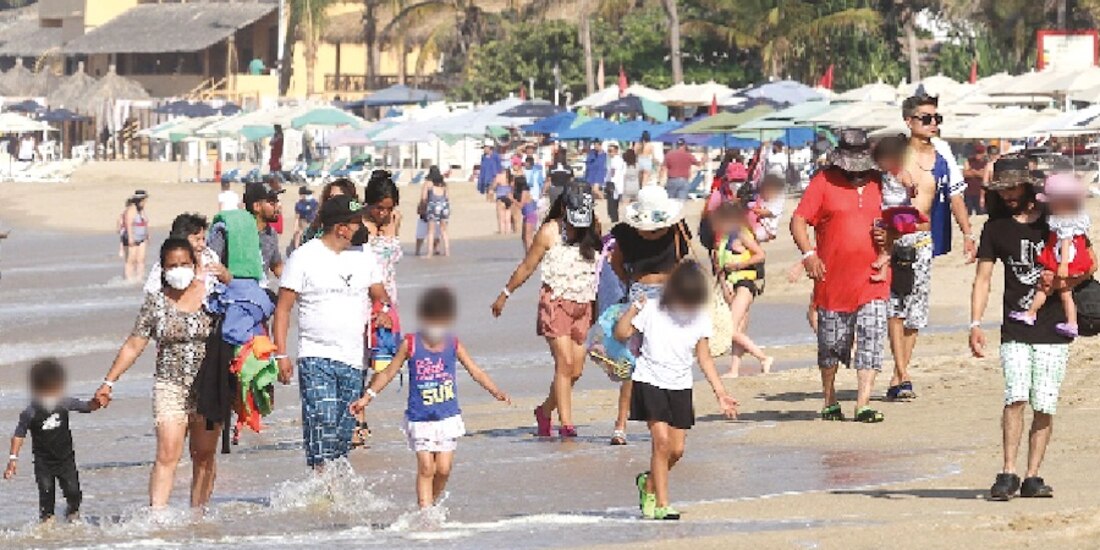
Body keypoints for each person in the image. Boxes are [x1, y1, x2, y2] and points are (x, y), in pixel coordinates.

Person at [970, 157, 1095, 500]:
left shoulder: (1060, 220)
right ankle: (1008, 472)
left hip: (1055, 328)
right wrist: (975, 323)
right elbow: (983, 279)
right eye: (1002, 188)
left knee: (1045, 403)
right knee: (1015, 396)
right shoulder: (995, 228)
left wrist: (1063, 278)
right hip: (1015, 326)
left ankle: (1033, 475)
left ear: (1028, 185)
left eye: (1013, 186)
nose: (1009, 194)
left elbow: (1090, 264)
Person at [350, 287, 510, 509]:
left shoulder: (453, 343)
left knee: (443, 469)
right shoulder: (410, 343)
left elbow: (476, 371)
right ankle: (425, 512)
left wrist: (495, 390)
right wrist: (367, 397)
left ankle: (431, 504)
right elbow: (387, 372)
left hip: (447, 416)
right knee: (426, 467)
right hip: (420, 417)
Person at [96, 238, 220, 508]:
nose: (178, 269)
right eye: (172, 265)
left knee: (205, 454)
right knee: (167, 453)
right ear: (162, 269)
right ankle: (157, 518)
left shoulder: (214, 297)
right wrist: (109, 381)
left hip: (211, 388)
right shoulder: (155, 303)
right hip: (170, 386)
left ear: (195, 263)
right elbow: (134, 344)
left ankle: (198, 517)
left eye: (184, 264)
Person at [273, 196, 391, 470]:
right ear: (341, 228)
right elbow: (283, 309)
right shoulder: (303, 257)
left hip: (354, 358)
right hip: (316, 355)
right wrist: (281, 354)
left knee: (341, 432)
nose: (360, 226)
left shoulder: (364, 256)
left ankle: (332, 492)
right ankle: (320, 480)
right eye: (355, 222)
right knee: (322, 419)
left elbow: (380, 295)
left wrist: (382, 310)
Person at [614, 261, 738, 520]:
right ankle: (662, 505)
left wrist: (721, 393)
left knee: (677, 450)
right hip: (649, 381)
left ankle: (648, 484)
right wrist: (635, 307)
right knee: (661, 443)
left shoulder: (700, 317)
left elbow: (704, 358)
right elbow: (620, 333)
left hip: (680, 386)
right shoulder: (652, 309)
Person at [790, 128, 889, 423]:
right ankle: (830, 399)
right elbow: (798, 221)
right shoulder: (823, 181)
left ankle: (863, 403)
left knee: (872, 336)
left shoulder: (881, 182)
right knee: (832, 344)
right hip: (832, 279)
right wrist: (809, 254)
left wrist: (890, 241)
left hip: (874, 278)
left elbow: (904, 219)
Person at [491, 184, 600, 438]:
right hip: (555, 304)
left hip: (584, 304)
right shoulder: (549, 232)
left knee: (576, 370)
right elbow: (527, 266)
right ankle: (567, 426)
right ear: (564, 208)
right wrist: (504, 295)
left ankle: (544, 410)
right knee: (565, 363)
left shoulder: (594, 228)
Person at [890, 91, 977, 401]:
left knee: (915, 312)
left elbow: (955, 195)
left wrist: (968, 233)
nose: (932, 123)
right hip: (893, 240)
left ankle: (898, 373)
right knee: (895, 308)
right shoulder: (894, 153)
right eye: (925, 118)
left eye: (936, 118)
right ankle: (903, 375)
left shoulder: (943, 153)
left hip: (925, 240)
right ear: (908, 121)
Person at [608, 186, 692, 445]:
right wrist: (632, 286)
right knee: (635, 364)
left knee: (668, 358)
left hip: (668, 296)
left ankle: (659, 419)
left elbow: (680, 261)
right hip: (641, 297)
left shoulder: (678, 228)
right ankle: (621, 424)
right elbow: (616, 263)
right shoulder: (624, 232)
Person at [5, 359, 100, 522]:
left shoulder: (64, 402)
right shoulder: (30, 412)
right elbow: (19, 434)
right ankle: (47, 521)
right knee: (46, 492)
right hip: (43, 462)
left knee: (73, 491)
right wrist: (13, 459)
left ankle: (72, 512)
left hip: (66, 459)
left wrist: (97, 402)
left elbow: (86, 407)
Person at [1009, 173, 1092, 338]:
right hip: (1067, 259)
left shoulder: (1065, 221)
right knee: (1060, 291)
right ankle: (1065, 321)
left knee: (1049, 288)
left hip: (1065, 260)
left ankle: (1034, 314)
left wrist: (1063, 266)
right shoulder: (1075, 219)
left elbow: (1066, 242)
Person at [357, 171, 404, 445]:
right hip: (362, 299)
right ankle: (358, 415)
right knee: (359, 359)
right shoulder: (358, 223)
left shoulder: (396, 220)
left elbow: (392, 258)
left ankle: (361, 403)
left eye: (389, 208)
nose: (384, 214)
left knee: (384, 361)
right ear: (369, 203)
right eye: (379, 208)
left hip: (388, 299)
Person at [710, 202, 773, 377]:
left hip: (745, 284)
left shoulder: (741, 234)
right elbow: (721, 269)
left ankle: (763, 358)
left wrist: (738, 265)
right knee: (738, 329)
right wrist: (724, 287)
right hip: (732, 285)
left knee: (730, 329)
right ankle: (734, 369)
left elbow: (760, 254)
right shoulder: (723, 240)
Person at [208, 181, 285, 288]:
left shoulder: (270, 233)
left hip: (260, 294)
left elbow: (276, 265)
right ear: (257, 206)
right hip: (232, 295)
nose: (278, 207)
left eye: (277, 202)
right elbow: (211, 262)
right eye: (272, 203)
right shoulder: (229, 229)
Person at [144, 213, 229, 296]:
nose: (203, 245)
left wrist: (226, 276)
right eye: (197, 239)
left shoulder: (209, 256)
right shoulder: (167, 265)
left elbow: (229, 289)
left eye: (203, 239)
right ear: (181, 240)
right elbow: (150, 294)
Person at [303, 179, 358, 247]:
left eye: (336, 197)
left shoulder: (358, 228)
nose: (331, 202)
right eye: (328, 198)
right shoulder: (316, 227)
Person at [747, 174, 786, 243]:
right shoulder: (763, 199)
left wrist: (754, 210)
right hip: (760, 225)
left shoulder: (776, 203)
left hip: (767, 229)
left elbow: (768, 212)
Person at [421, 166, 451, 257]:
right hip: (444, 206)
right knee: (444, 230)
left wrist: (423, 208)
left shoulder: (428, 183)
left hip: (433, 206)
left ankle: (429, 253)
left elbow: (424, 198)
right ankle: (447, 252)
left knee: (431, 231)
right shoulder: (444, 184)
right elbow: (447, 197)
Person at [121, 190, 150, 283]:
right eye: (144, 200)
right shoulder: (131, 210)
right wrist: (130, 238)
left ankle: (139, 278)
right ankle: (129, 279)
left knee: (141, 259)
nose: (145, 203)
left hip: (142, 237)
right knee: (131, 260)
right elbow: (128, 224)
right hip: (132, 237)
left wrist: (148, 235)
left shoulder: (141, 210)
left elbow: (145, 223)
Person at [963, 144, 989, 215]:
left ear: (983, 153)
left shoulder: (986, 163)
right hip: (969, 192)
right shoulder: (969, 161)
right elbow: (965, 173)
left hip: (980, 192)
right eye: (977, 152)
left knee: (980, 214)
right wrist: (978, 172)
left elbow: (984, 175)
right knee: (968, 213)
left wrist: (973, 171)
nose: (978, 155)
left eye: (980, 153)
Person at [605, 143, 626, 223]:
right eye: (608, 151)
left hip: (614, 184)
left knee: (612, 207)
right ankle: (614, 221)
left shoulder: (616, 161)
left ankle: (615, 222)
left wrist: (611, 184)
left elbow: (613, 174)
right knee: (612, 207)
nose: (609, 153)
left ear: (616, 151)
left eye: (611, 151)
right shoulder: (613, 160)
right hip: (614, 184)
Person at [489, 171, 515, 235]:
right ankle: (508, 232)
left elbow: (493, 187)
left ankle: (502, 233)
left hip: (500, 198)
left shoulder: (499, 176)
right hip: (508, 198)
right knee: (508, 219)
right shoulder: (511, 177)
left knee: (501, 219)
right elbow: (513, 188)